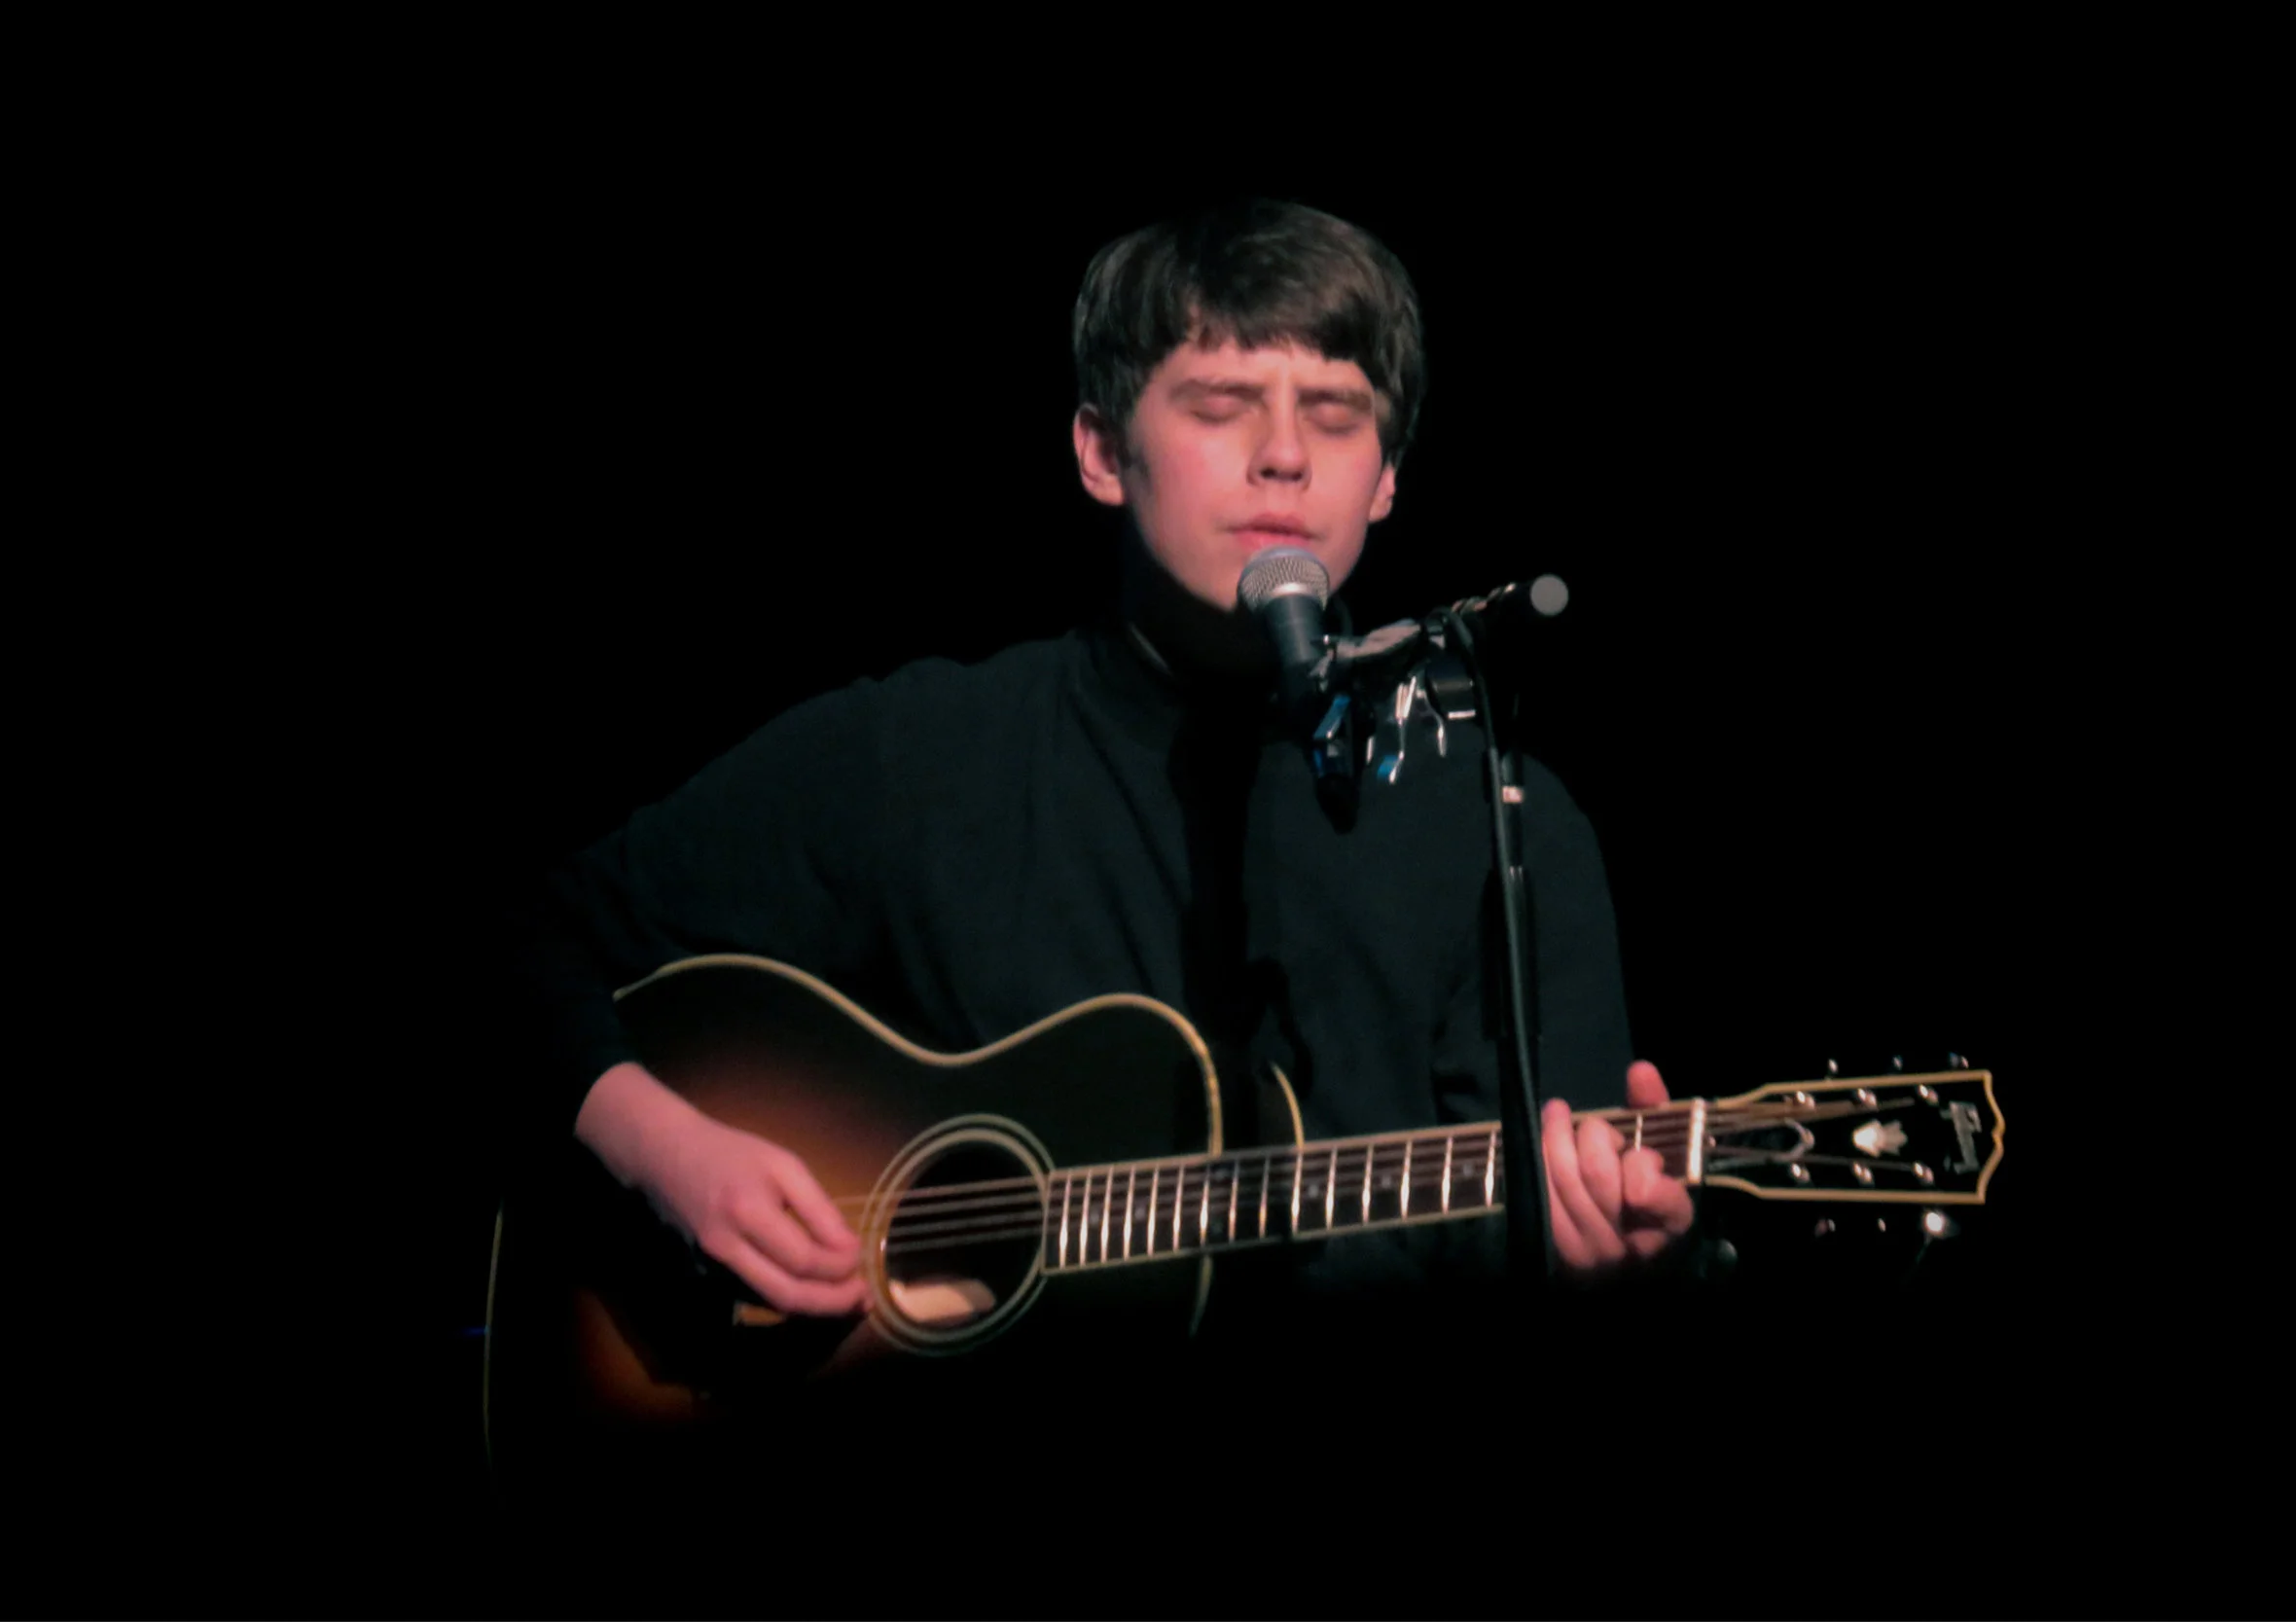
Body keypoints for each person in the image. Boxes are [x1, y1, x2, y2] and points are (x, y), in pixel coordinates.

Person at [503, 196, 1695, 1397]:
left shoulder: (1498, 809)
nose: (1284, 455)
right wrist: (664, 1150)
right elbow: (530, 942)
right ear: (1099, 450)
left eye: (1335, 416)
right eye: (1220, 406)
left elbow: (1553, 1270)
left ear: (1385, 479)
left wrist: (1606, 1268)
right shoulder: (925, 752)